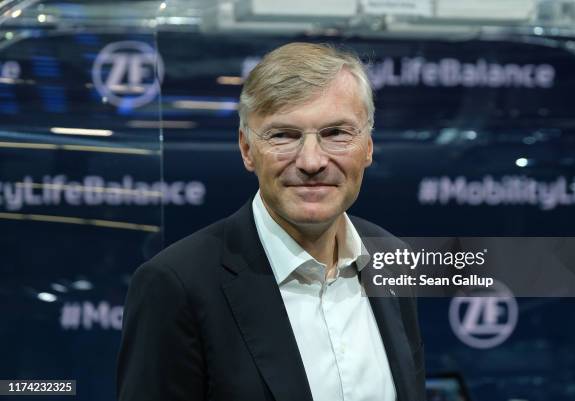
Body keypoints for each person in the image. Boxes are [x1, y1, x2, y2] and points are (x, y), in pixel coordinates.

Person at [116, 42, 425, 401]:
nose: (312, 161)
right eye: (284, 135)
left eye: (336, 133)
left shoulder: (393, 258)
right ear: (247, 149)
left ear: (368, 147)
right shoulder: (176, 285)